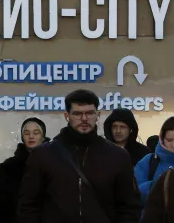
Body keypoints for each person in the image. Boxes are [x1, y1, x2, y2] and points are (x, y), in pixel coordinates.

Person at [16, 89, 140, 223]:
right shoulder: (43, 155)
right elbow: (28, 205)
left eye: (89, 113)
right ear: (67, 116)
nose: (84, 119)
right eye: (77, 114)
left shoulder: (118, 156)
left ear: (98, 115)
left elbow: (129, 206)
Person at [0, 117, 49, 223]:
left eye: (36, 133)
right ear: (22, 137)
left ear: (43, 136)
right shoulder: (8, 167)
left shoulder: (53, 164)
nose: (31, 136)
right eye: (26, 133)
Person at [133, 116, 174, 205]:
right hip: (151, 217)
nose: (173, 145)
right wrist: (156, 184)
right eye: (169, 140)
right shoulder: (149, 161)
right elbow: (134, 193)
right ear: (162, 139)